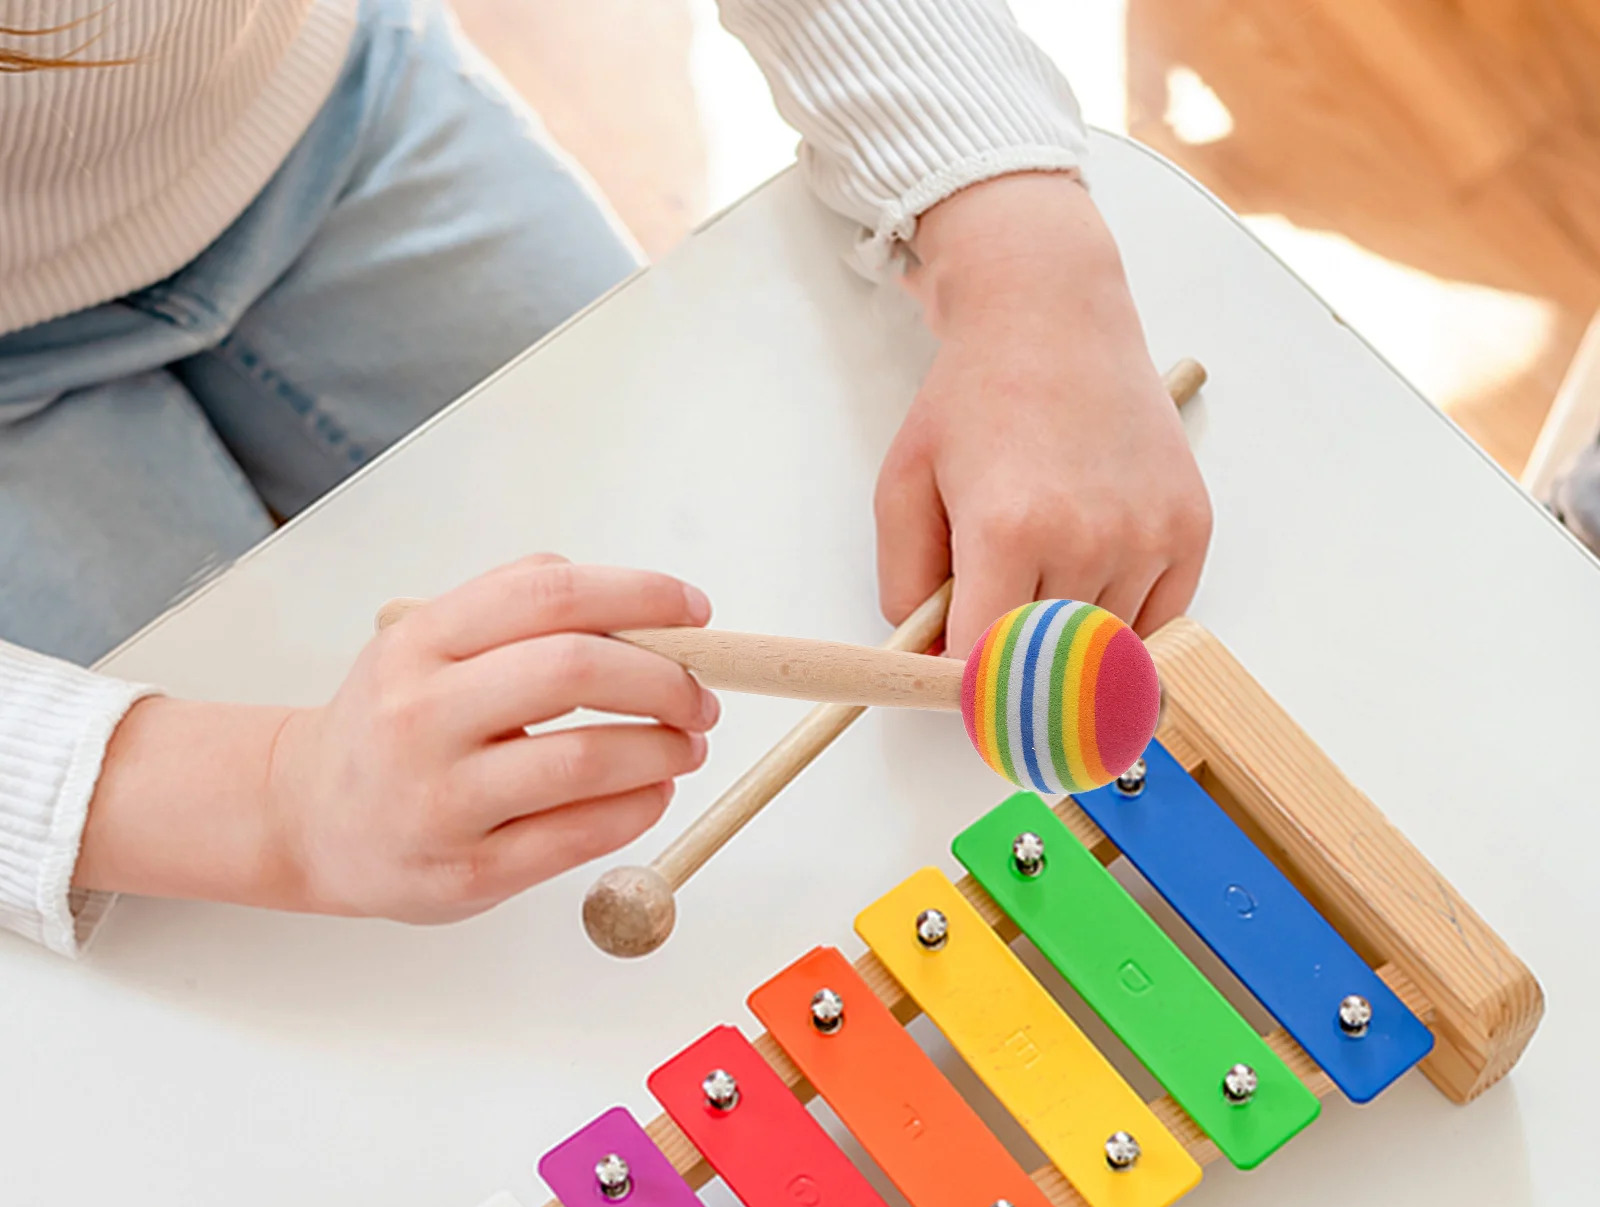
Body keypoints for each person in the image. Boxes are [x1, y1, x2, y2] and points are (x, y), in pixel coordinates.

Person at [0, 0, 1212, 955]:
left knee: (688, 541)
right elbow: (257, 800)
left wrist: (1025, 258)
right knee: (273, 924)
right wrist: (275, 802)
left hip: (313, 113)